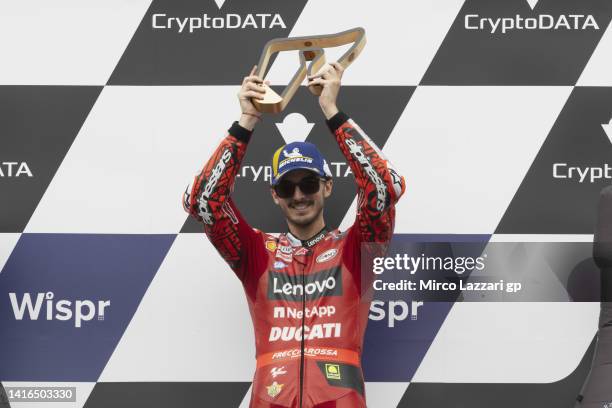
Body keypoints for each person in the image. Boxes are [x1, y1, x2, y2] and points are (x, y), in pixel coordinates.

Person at [183, 62, 405, 408]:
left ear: (327, 187)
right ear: (275, 194)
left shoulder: (356, 248)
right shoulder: (255, 251)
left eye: (309, 183)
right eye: (287, 186)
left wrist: (331, 110)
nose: (299, 195)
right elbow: (202, 202)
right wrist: (246, 122)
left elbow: (386, 186)